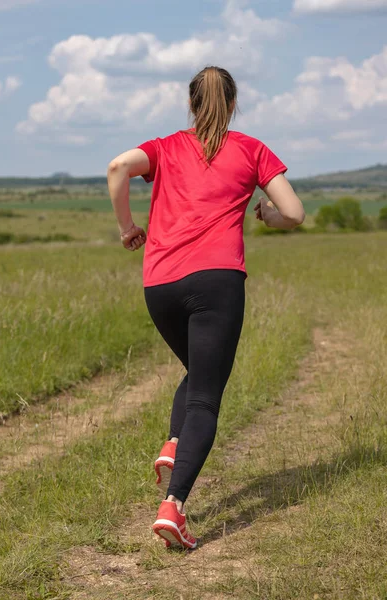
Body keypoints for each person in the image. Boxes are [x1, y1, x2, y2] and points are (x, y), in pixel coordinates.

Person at [107, 66, 305, 550]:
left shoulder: (165, 147)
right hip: (217, 282)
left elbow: (117, 168)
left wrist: (127, 228)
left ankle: (175, 445)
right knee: (205, 397)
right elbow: (296, 214)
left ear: (191, 104)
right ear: (233, 103)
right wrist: (268, 215)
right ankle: (173, 508)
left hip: (160, 284)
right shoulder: (252, 149)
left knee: (198, 372)